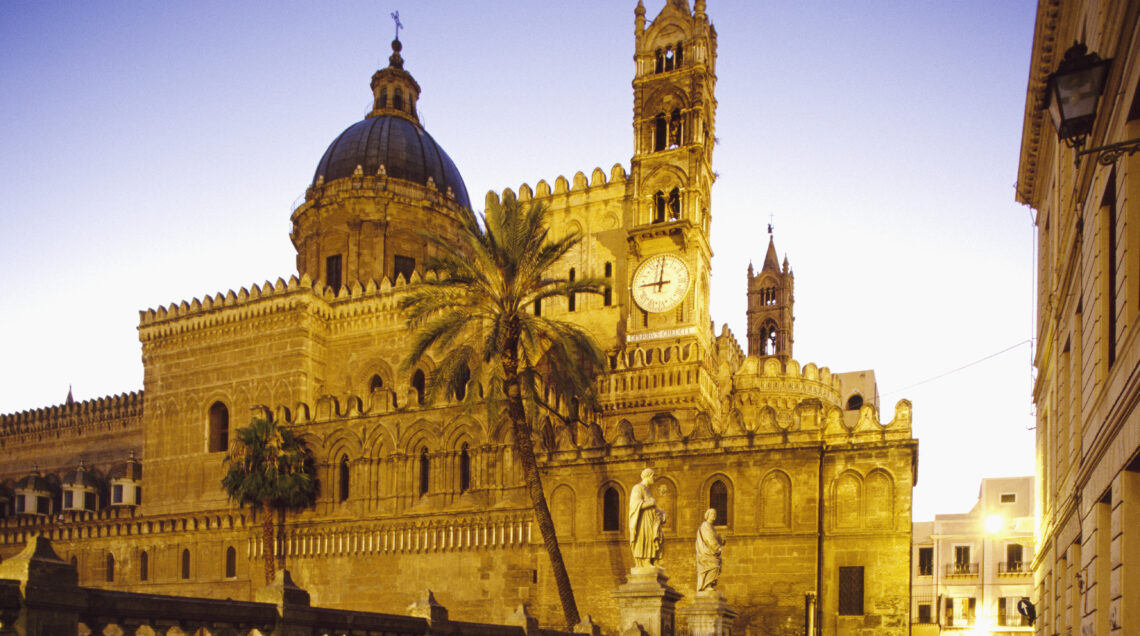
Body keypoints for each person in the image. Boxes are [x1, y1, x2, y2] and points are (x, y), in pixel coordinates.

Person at [628, 468, 666, 567]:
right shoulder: (638, 488)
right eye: (653, 476)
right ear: (648, 476)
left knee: (654, 538)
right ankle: (645, 561)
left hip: (651, 520)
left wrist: (661, 513)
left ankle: (652, 560)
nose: (655, 478)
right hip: (643, 521)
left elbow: (652, 507)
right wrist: (651, 503)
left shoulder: (647, 490)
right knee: (645, 538)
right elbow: (634, 504)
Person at [695, 508, 725, 592]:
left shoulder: (712, 528)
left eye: (715, 514)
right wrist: (717, 547)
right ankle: (706, 586)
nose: (714, 516)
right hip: (706, 553)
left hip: (710, 552)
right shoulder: (705, 525)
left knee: (715, 565)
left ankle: (710, 584)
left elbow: (715, 538)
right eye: (712, 514)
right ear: (707, 515)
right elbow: (709, 538)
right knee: (714, 565)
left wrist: (721, 539)